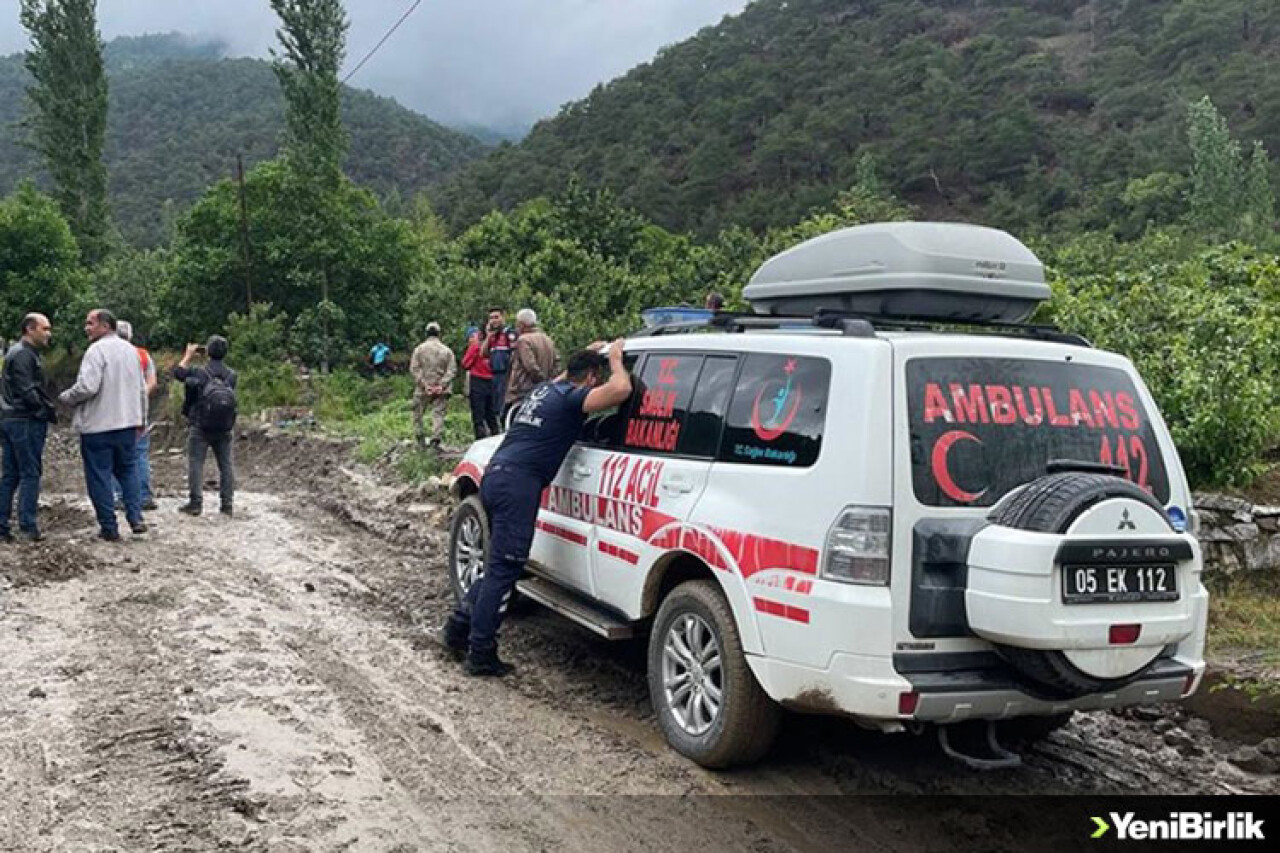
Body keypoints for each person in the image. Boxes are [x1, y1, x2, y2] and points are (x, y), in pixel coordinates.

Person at [442, 340, 633, 676]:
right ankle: (481, 653)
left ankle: (458, 627)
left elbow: (564, 378)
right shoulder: (575, 398)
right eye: (595, 378)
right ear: (590, 378)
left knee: (498, 564)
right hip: (519, 485)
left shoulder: (547, 391)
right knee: (505, 570)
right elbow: (620, 390)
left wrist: (588, 354)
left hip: (496, 475)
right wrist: (616, 361)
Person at [58, 309, 147, 542]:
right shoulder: (131, 351)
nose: (86, 328)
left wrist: (67, 397)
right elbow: (141, 390)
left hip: (99, 425)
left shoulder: (95, 351)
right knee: (128, 471)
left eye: (90, 324)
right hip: (127, 422)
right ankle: (136, 517)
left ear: (105, 326)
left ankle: (109, 527)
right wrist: (142, 420)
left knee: (99, 476)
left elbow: (88, 386)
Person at [0, 313, 56, 543]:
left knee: (11, 474)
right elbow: (27, 389)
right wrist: (43, 410)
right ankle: (27, 526)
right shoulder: (23, 354)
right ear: (30, 329)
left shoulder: (17, 352)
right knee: (30, 472)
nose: (49, 333)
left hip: (10, 417)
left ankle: (3, 525)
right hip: (23, 419)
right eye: (45, 328)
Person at [174, 336, 238, 517]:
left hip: (200, 425)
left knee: (196, 463)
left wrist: (188, 355)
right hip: (224, 427)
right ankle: (227, 505)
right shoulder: (232, 375)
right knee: (226, 465)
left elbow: (178, 374)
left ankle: (196, 503)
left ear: (207, 351)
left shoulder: (198, 372)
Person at [111, 320, 159, 511]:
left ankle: (120, 496)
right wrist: (139, 397)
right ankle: (145, 495)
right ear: (130, 335)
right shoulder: (143, 355)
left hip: (115, 412)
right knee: (140, 453)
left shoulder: (109, 354)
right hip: (139, 412)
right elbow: (152, 382)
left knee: (115, 454)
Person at [503, 308, 558, 419]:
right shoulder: (548, 339)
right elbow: (557, 363)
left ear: (522, 325)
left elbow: (530, 366)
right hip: (545, 390)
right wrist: (549, 382)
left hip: (524, 391)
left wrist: (541, 381)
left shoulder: (523, 340)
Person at [409, 322, 457, 449]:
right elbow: (452, 370)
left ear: (426, 333)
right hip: (442, 389)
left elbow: (414, 369)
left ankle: (420, 438)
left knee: (417, 413)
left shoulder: (419, 349)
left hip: (422, 389)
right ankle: (435, 439)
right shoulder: (447, 351)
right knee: (438, 413)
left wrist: (425, 385)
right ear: (439, 333)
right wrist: (441, 385)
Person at [461, 326, 501, 439]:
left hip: (478, 381)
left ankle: (480, 438)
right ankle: (496, 436)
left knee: (478, 414)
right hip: (492, 381)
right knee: (491, 413)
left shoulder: (475, 347)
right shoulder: (493, 347)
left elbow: (465, 364)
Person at [479, 308, 514, 429]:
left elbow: (515, 356)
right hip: (495, 376)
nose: (493, 320)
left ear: (503, 318)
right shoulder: (493, 337)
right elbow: (482, 353)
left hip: (507, 375)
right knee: (497, 407)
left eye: (496, 317)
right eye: (491, 318)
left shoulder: (509, 333)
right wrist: (488, 336)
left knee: (506, 406)